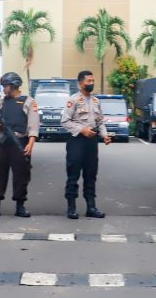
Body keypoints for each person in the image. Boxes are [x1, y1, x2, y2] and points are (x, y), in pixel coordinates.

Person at [0, 72, 40, 218]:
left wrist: (30, 143)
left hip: (20, 142)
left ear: (14, 85)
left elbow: (33, 125)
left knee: (21, 175)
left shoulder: (29, 101)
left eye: (6, 86)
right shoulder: (1, 102)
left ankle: (20, 205)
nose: (4, 89)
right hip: (2, 142)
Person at [60, 70, 111, 219]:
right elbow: (65, 121)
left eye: (93, 81)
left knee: (91, 175)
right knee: (73, 174)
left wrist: (105, 135)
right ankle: (71, 207)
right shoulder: (73, 100)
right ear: (80, 83)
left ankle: (91, 207)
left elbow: (100, 121)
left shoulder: (96, 101)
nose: (91, 83)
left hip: (92, 142)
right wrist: (82, 130)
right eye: (89, 81)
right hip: (76, 141)